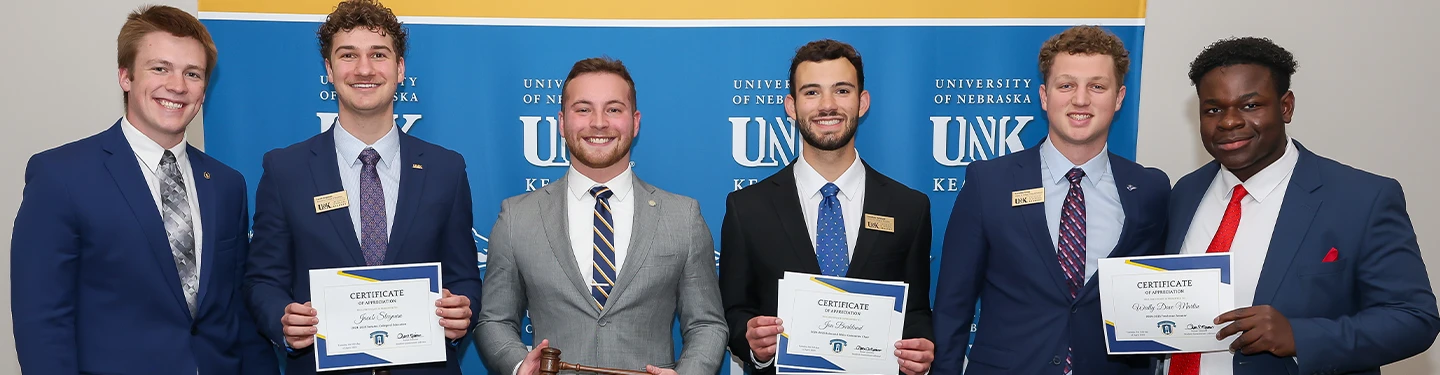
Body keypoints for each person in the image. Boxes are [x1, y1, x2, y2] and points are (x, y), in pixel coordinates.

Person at [10, 5, 278, 374]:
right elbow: (42, 323)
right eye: (160, 68)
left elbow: (239, 316)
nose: (177, 85)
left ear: (204, 90)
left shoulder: (227, 185)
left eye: (192, 73)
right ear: (125, 76)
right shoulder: (60, 177)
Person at [1161, 36, 1439, 375]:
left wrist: (1300, 336)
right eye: (1213, 109)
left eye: (1250, 105)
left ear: (1286, 106)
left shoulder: (1363, 198)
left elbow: (1414, 318)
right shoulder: (1184, 193)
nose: (1229, 121)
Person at [243, 1, 480, 374]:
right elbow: (262, 280)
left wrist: (461, 310)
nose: (364, 69)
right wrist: (282, 321)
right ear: (329, 69)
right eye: (348, 55)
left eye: (379, 55)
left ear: (400, 69)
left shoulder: (445, 169)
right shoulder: (285, 169)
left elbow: (464, 275)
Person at [931, 25, 1169, 375]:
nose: (1081, 99)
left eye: (1097, 86)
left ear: (1119, 98)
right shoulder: (989, 182)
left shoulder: (1150, 187)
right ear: (1045, 96)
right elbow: (953, 306)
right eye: (1067, 85)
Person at [475, 57, 727, 375]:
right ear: (561, 123)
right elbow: (494, 321)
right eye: (583, 109)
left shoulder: (682, 217)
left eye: (613, 109)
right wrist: (518, 365)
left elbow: (707, 324)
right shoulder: (517, 217)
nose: (598, 122)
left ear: (635, 122)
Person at [718, 39, 936, 375]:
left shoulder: (909, 208)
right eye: (812, 92)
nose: (827, 105)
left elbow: (917, 311)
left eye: (842, 91)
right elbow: (733, 312)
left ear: (863, 102)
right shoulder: (747, 208)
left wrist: (919, 349)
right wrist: (754, 344)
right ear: (791, 106)